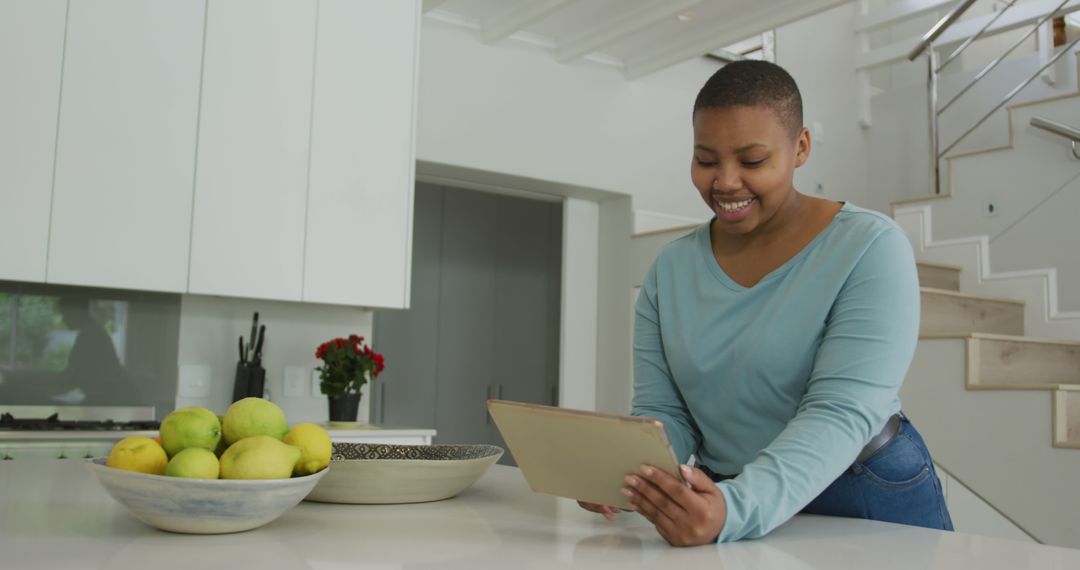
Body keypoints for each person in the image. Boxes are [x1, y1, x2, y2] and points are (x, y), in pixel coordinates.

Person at [579, 60, 952, 545]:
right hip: (727, 491)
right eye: (706, 160)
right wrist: (626, 467)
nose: (725, 182)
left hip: (861, 489)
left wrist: (735, 510)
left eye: (752, 161)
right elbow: (663, 410)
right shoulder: (669, 270)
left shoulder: (870, 247)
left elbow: (841, 411)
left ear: (800, 148)